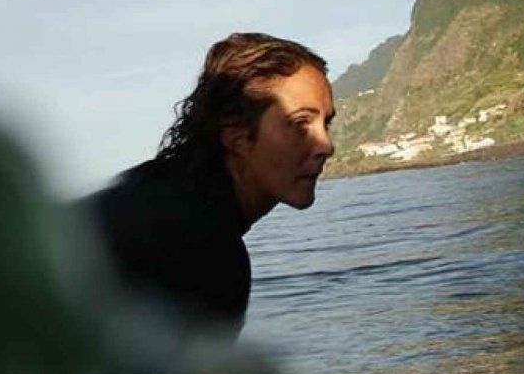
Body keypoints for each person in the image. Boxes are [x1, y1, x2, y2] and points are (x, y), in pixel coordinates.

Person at [82, 32, 336, 338]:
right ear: (236, 134)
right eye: (300, 124)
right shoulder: (207, 255)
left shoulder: (149, 191)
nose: (325, 145)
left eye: (326, 123)